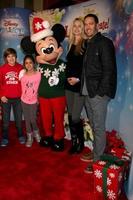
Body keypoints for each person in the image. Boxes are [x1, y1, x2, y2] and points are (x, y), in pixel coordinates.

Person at [80, 14, 117, 173]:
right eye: (86, 24)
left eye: (91, 23)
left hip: (98, 93)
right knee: (94, 126)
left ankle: (98, 162)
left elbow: (109, 70)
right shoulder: (87, 44)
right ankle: (97, 153)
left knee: (99, 127)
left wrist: (101, 92)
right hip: (88, 92)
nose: (88, 27)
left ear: (97, 25)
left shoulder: (104, 43)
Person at [65, 17, 86, 154]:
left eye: (80, 26)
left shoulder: (86, 44)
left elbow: (86, 67)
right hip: (68, 86)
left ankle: (81, 142)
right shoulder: (70, 44)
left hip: (79, 85)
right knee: (71, 114)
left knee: (76, 117)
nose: (77, 28)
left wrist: (78, 79)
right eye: (75, 26)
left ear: (83, 28)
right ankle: (74, 143)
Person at [0, 48, 25, 147]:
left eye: (13, 56)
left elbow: (25, 82)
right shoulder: (2, 69)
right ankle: (5, 137)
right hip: (6, 99)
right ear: (6, 58)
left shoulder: (21, 68)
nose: (11, 58)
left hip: (18, 98)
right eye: (8, 56)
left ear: (16, 57)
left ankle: (20, 135)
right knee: (5, 121)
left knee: (18, 120)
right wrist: (1, 95)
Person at [20, 55, 41, 147]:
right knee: (27, 120)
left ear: (34, 63)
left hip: (33, 101)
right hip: (24, 100)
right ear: (24, 64)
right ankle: (29, 137)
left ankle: (36, 133)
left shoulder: (38, 74)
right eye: (26, 63)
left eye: (30, 62)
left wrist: (38, 98)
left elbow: (40, 88)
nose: (28, 65)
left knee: (33, 119)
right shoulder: (22, 75)